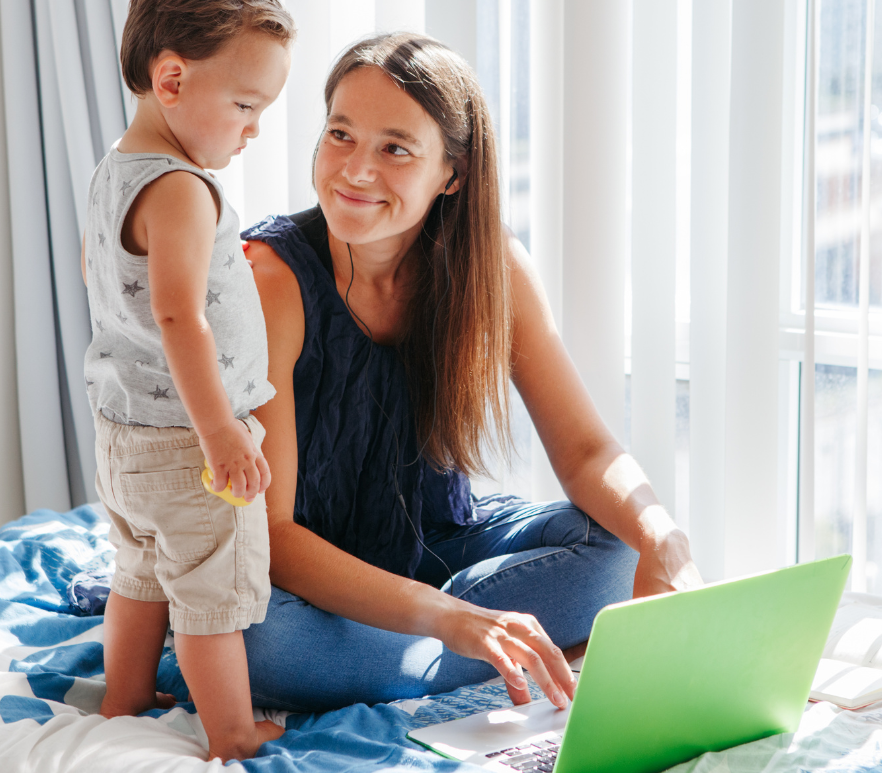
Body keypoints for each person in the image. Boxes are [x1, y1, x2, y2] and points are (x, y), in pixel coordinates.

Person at [241, 32, 704, 714]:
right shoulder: (271, 278)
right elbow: (273, 538)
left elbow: (585, 450)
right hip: (310, 587)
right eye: (340, 133)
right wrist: (454, 618)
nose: (355, 169)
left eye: (394, 148)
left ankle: (428, 652)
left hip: (435, 547)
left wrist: (664, 539)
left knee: (615, 549)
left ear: (452, 172)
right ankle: (476, 644)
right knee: (267, 642)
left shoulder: (493, 266)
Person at [80, 0, 294, 761]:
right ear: (171, 78)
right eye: (245, 105)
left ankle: (126, 695)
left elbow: (103, 283)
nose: (253, 128)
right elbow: (178, 314)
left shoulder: (116, 170)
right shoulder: (179, 188)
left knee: (139, 569)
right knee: (213, 588)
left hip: (123, 432)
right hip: (186, 441)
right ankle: (231, 730)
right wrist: (220, 431)